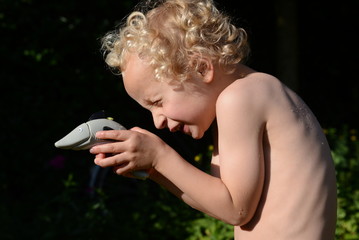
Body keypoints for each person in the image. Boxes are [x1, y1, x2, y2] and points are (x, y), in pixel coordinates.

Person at [90, 0, 337, 239]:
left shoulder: (239, 98)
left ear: (201, 68)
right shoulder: (257, 93)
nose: (157, 122)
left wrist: (159, 156)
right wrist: (153, 168)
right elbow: (220, 205)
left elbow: (234, 210)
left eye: (157, 102)